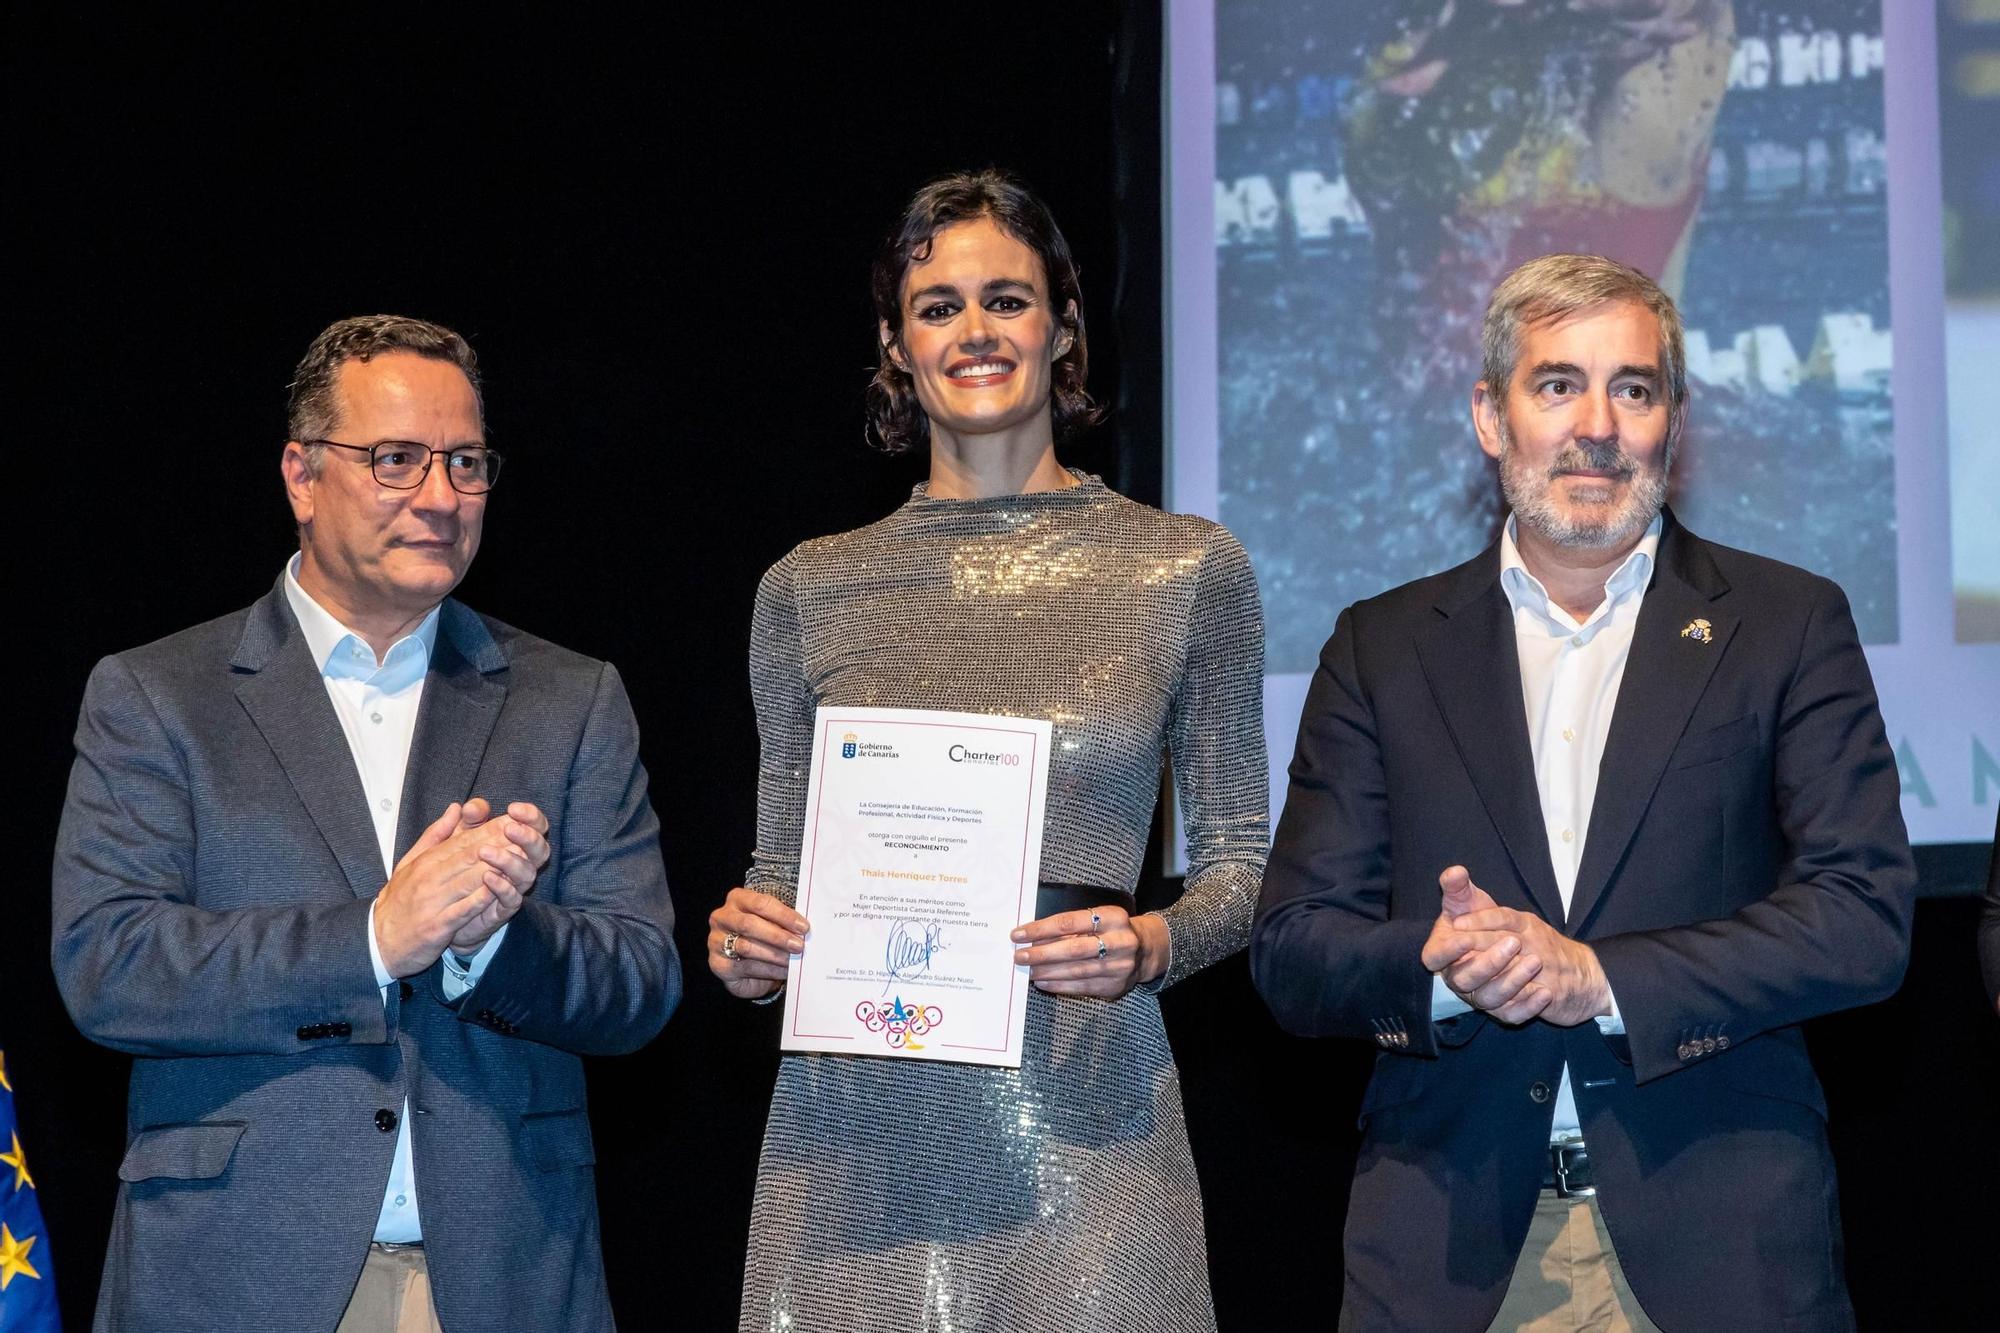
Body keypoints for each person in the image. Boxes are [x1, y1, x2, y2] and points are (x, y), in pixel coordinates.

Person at [1251, 254, 1914, 1331]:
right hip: (1444, 1247)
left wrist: (1599, 976)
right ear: (1488, 415)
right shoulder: (1379, 646)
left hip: (1721, 1238)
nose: (1595, 425)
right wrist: (1435, 966)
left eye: (1634, 389)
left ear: (1672, 420)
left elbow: (1863, 916)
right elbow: (1291, 948)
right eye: (1556, 384)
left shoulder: (1785, 623)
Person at [706, 169, 1268, 1332]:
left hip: (1086, 1126)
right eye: (937, 305)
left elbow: (1244, 868)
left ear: (1062, 326)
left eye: (1005, 300)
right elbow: (778, 874)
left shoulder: (1184, 569)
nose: (974, 331)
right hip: (853, 1141)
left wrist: (1151, 940)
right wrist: (745, 944)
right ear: (893, 344)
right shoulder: (808, 587)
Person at [53, 315, 680, 1333]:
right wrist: (375, 937)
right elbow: (109, 964)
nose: (439, 496)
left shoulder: (570, 700)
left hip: (503, 1280)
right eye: (396, 460)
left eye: (465, 463)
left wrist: (493, 943)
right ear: (301, 476)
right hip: (236, 1279)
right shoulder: (159, 695)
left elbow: (639, 983)